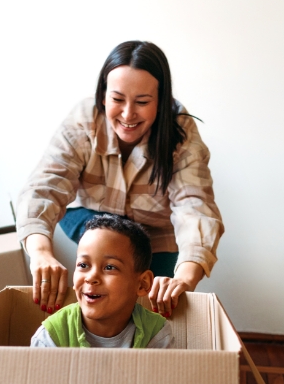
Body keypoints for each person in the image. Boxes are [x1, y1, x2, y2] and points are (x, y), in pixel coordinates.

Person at [16, 40, 223, 319]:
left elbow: (194, 208)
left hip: (154, 236)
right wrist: (40, 252)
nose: (127, 114)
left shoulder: (181, 132)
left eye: (142, 102)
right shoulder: (82, 120)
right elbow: (44, 188)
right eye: (117, 99)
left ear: (161, 102)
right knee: (108, 293)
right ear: (102, 96)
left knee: (157, 307)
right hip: (89, 216)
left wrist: (183, 280)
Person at [30, 214, 174, 349]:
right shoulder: (50, 337)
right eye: (83, 265)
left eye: (109, 267)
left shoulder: (156, 333)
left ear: (142, 284)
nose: (91, 278)